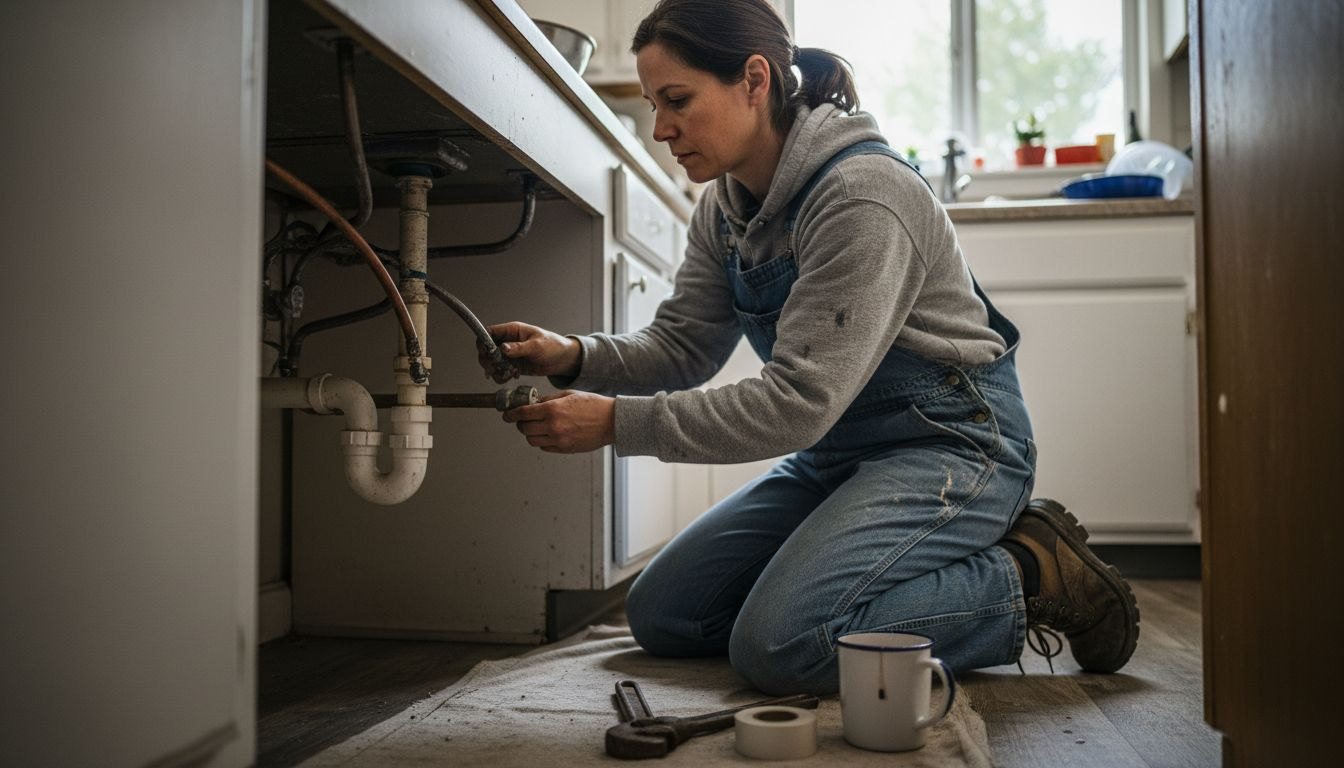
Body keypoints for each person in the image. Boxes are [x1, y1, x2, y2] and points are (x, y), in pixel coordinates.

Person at [478, 0, 1139, 695]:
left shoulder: (862, 195)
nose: (660, 128)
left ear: (754, 80)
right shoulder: (726, 205)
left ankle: (1029, 573)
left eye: (676, 100)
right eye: (652, 104)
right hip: (837, 455)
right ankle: (833, 596)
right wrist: (572, 355)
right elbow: (682, 345)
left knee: (781, 646)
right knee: (664, 614)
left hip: (953, 446)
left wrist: (616, 422)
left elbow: (797, 401)